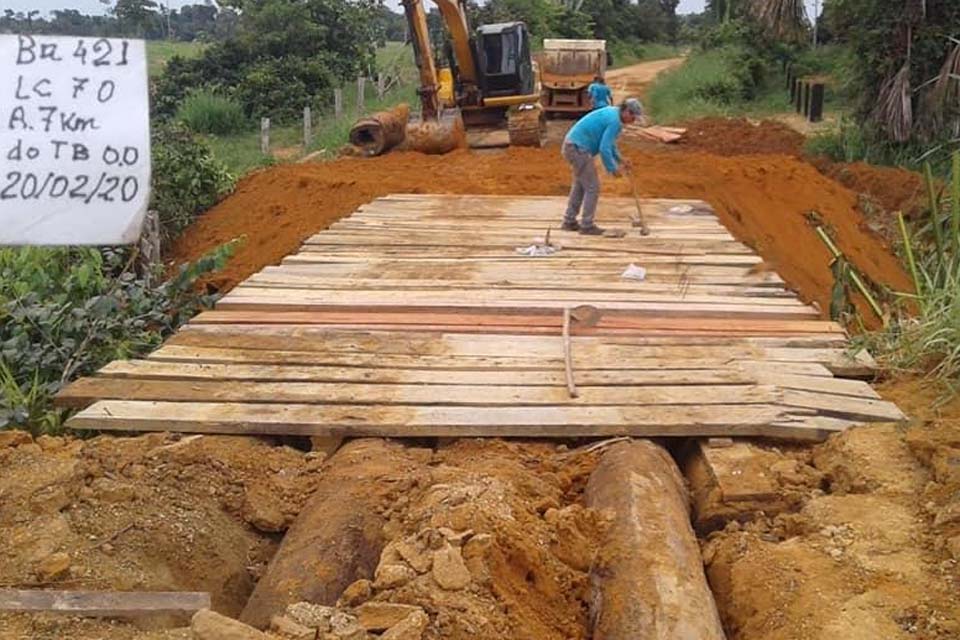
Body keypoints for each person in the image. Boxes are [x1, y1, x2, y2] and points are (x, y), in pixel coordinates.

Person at [561, 98, 643, 235]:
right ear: (627, 111)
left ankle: (569, 221)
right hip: (577, 149)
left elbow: (610, 144)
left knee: (580, 185)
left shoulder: (613, 114)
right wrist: (612, 168)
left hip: (572, 146)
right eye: (633, 117)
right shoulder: (615, 121)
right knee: (592, 187)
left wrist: (620, 159)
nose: (633, 121)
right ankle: (587, 225)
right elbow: (604, 148)